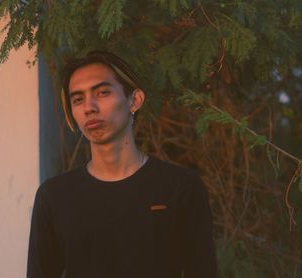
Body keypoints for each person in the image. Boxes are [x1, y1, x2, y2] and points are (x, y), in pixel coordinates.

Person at [27, 51, 217, 278]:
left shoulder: (180, 187)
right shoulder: (55, 196)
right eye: (78, 99)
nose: (89, 107)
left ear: (134, 100)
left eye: (102, 93)